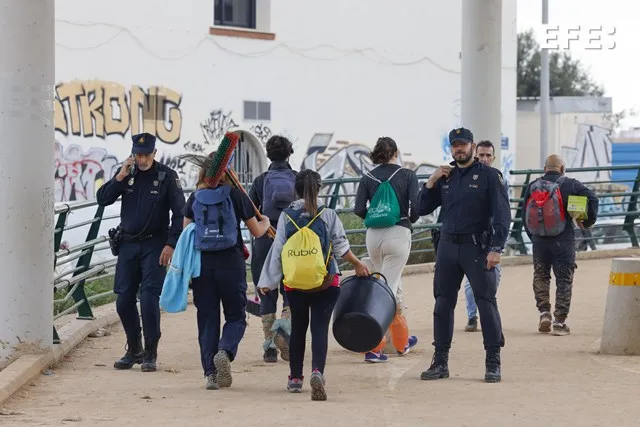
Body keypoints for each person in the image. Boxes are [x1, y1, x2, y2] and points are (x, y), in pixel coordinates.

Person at [257, 169, 370, 401]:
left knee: (298, 329)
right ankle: (317, 372)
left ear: (294, 190)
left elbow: (278, 252)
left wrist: (267, 282)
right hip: (326, 282)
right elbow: (341, 248)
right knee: (319, 329)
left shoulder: (287, 217)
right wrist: (358, 265)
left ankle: (295, 378)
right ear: (319, 189)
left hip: (295, 284)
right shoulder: (328, 215)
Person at [418, 127, 511, 383]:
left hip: (477, 248)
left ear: (472, 146)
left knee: (486, 301)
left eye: (463, 144)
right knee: (442, 303)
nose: (459, 149)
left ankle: (493, 361)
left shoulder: (490, 176)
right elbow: (421, 207)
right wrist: (431, 181)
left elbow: (503, 215)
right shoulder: (446, 176)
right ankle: (440, 362)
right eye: (455, 145)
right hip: (448, 246)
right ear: (451, 148)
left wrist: (496, 248)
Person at [96, 132, 185, 372]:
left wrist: (171, 244)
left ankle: (150, 352)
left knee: (148, 298)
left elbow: (180, 214)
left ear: (155, 154)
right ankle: (133, 348)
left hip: (155, 245)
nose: (142, 159)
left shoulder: (167, 176)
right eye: (138, 154)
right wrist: (120, 176)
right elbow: (102, 199)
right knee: (124, 299)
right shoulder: (127, 174)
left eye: (146, 155)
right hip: (127, 244)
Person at [182, 157, 271, 390]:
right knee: (235, 315)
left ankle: (210, 374)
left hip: (202, 266)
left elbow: (186, 232)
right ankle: (225, 350)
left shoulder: (194, 198)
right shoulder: (235, 194)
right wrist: (266, 221)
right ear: (226, 172)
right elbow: (257, 231)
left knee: (207, 319)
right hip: (231, 263)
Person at [354, 136, 419, 363]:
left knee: (391, 283)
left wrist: (375, 217)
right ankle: (372, 346)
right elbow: (416, 208)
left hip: (373, 236)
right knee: (386, 292)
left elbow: (358, 209)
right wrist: (407, 219)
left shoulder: (367, 177)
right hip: (398, 232)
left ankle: (402, 341)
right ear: (396, 152)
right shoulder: (407, 175)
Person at [522, 154, 598, 336]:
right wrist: (586, 222)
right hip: (563, 240)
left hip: (539, 240)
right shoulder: (570, 184)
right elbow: (592, 198)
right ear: (562, 169)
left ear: (544, 169)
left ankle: (544, 313)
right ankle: (559, 322)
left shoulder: (533, 186)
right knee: (564, 279)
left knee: (541, 276)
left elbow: (525, 215)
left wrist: (534, 237)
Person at [248, 135, 297, 363]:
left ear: (268, 154)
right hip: (292, 240)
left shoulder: (260, 181)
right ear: (290, 154)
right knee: (291, 291)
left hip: (265, 240)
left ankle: (269, 347)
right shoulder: (297, 179)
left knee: (266, 290)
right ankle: (285, 334)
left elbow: (249, 212)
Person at [462, 140, 505, 333]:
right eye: (481, 155)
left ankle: (483, 307)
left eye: (488, 155)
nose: (485, 159)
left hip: (491, 237)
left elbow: (503, 213)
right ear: (475, 155)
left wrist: (498, 243)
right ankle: (473, 315)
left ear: (493, 158)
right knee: (472, 279)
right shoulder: (467, 177)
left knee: (492, 276)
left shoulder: (497, 178)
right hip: (472, 238)